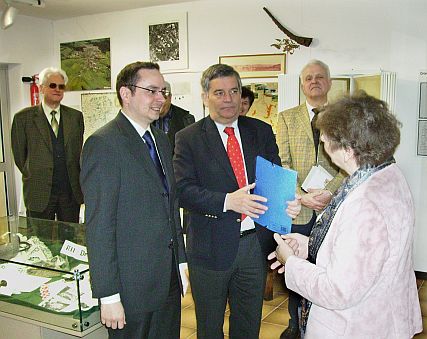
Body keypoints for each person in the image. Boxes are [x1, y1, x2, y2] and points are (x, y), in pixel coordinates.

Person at [270, 92, 423, 338]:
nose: (323, 143)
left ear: (348, 149)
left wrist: (291, 262)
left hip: (355, 326)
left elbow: (336, 291)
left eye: (327, 138)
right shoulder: (386, 174)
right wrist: (311, 245)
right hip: (381, 315)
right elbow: (364, 255)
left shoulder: (366, 202)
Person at [173, 63, 299, 339]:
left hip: (254, 246)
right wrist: (227, 201)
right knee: (209, 325)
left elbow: (275, 178)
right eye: (219, 93)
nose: (228, 99)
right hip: (209, 248)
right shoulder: (188, 138)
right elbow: (182, 190)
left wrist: (290, 202)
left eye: (233, 91)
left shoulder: (261, 131)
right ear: (205, 96)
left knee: (248, 322)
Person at [81, 61, 187, 339]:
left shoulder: (162, 140)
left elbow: (170, 207)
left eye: (163, 91)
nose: (161, 98)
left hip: (166, 282)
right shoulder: (103, 144)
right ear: (125, 94)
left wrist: (181, 263)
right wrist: (108, 295)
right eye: (151, 90)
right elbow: (99, 227)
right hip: (131, 288)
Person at [276, 59, 345, 339]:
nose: (314, 81)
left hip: (333, 206)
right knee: (297, 265)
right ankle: (295, 322)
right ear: (302, 85)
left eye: (319, 77)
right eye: (308, 78)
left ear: (329, 82)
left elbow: (350, 163)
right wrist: (302, 197)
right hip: (299, 210)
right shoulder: (286, 117)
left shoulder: (343, 117)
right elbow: (282, 162)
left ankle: (325, 322)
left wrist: (329, 192)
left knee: (330, 267)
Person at [11, 67, 84, 223]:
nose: (57, 89)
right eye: (52, 85)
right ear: (41, 88)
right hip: (39, 191)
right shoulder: (23, 118)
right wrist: (35, 172)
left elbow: (78, 151)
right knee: (40, 241)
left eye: (61, 86)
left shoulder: (75, 117)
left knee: (69, 239)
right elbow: (20, 156)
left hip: (69, 192)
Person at [153, 81, 195, 153]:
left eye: (163, 96)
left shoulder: (186, 119)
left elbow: (193, 150)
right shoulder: (145, 118)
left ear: (170, 97)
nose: (158, 102)